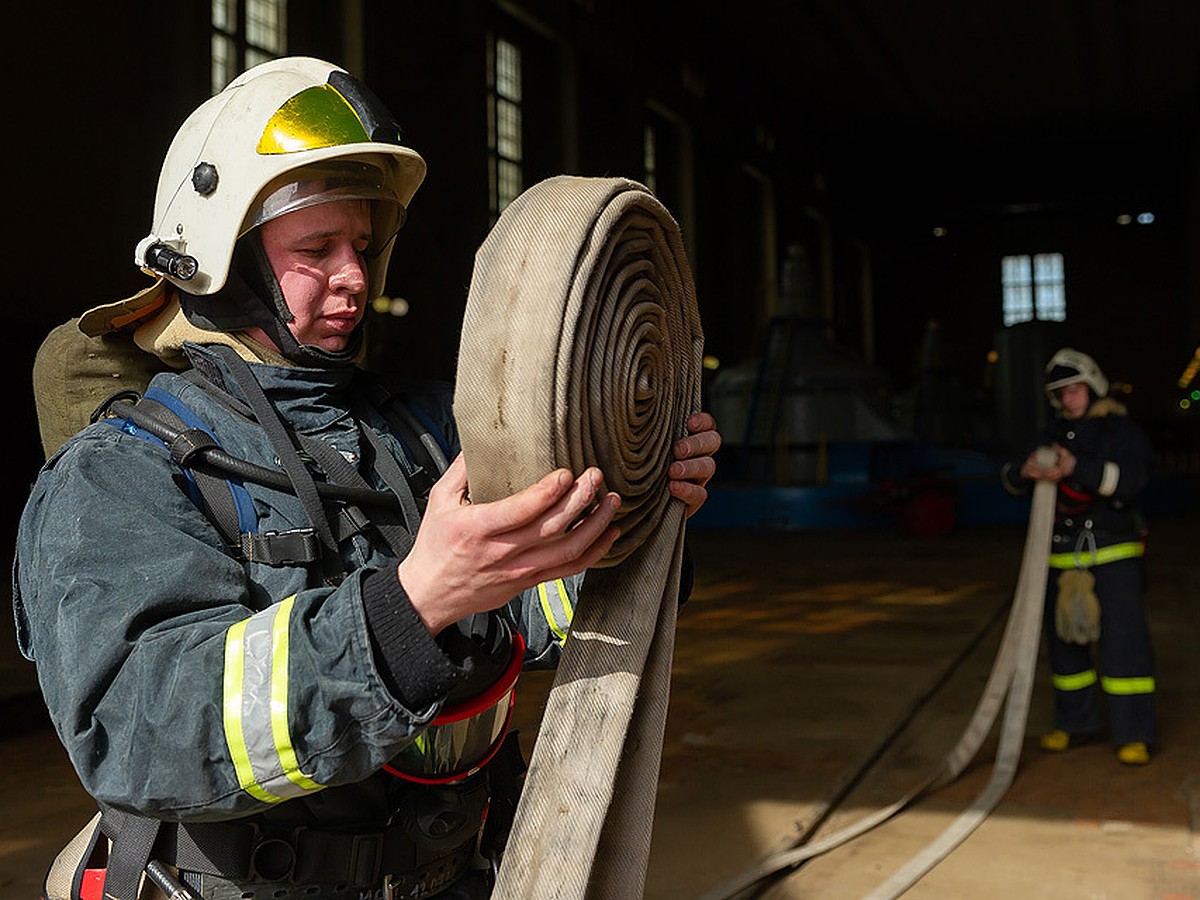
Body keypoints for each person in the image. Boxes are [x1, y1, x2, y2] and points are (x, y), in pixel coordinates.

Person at [14, 56, 720, 900]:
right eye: (317, 249)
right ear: (218, 261)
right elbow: (138, 732)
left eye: (362, 244)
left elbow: (532, 617)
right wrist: (413, 602)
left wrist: (637, 511)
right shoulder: (122, 476)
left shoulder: (418, 432)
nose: (353, 275)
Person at [1001, 348, 1156, 766]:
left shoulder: (1120, 432)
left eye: (1074, 389)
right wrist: (1026, 471)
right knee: (1066, 649)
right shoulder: (1048, 434)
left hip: (1114, 553)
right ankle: (1076, 724)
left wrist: (1076, 467)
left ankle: (1134, 733)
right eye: (1060, 393)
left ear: (1092, 385)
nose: (1068, 399)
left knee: (1124, 647)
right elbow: (1010, 476)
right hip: (1061, 557)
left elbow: (1131, 480)